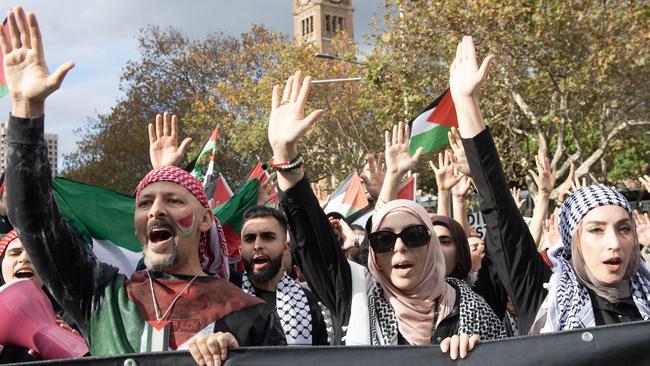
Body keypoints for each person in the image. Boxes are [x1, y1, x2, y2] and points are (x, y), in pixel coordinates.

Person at [1, 7, 285, 365]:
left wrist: (239, 358)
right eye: (145, 203)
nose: (155, 210)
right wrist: (26, 109)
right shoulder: (102, 296)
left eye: (172, 200)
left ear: (204, 220)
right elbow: (34, 220)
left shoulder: (250, 314)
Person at [267, 70, 505, 360]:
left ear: (431, 245)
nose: (399, 247)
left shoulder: (475, 311)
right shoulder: (356, 297)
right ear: (374, 255)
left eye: (414, 236)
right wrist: (285, 156)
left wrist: (477, 357)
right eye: (383, 240)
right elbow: (313, 240)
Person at [450, 35, 650, 334]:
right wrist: (466, 103)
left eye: (624, 229)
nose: (614, 242)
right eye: (596, 229)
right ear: (571, 241)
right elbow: (500, 212)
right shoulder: (545, 296)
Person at [230, 205, 329, 345]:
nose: (257, 245)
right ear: (240, 250)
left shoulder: (310, 303)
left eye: (268, 237)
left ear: (285, 248)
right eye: (250, 238)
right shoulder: (225, 296)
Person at [0, 231, 82, 364]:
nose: (24, 259)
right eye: (15, 253)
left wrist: (78, 351)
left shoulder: (73, 316)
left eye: (34, 254)